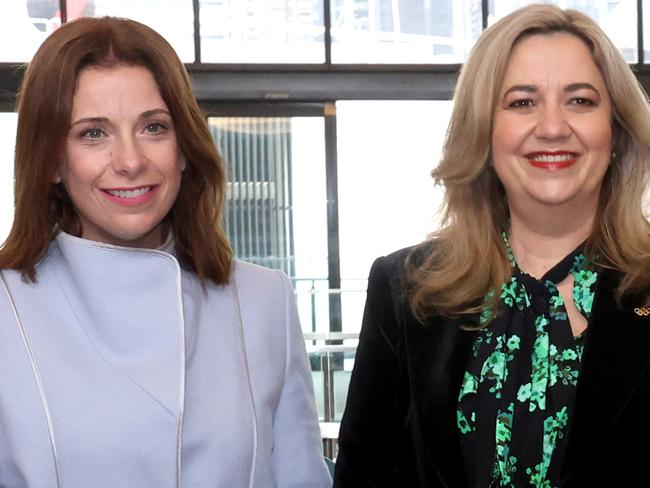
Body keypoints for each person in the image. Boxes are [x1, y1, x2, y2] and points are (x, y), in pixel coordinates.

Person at [0, 16, 331, 488]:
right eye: (94, 133)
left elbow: (300, 479)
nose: (131, 161)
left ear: (183, 147)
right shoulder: (6, 309)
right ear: (52, 159)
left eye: (154, 127)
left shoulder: (262, 301)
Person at [334, 4, 650, 488]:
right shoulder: (405, 290)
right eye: (522, 102)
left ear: (617, 133)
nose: (551, 127)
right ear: (483, 131)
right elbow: (364, 477)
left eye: (580, 101)